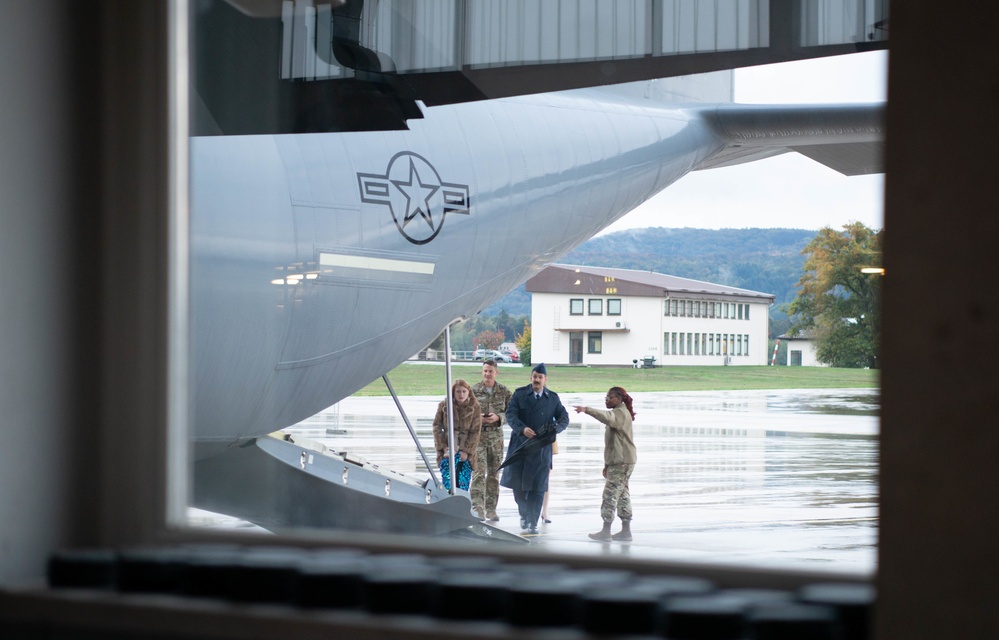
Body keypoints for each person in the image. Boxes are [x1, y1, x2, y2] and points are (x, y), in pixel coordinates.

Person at [501, 363, 569, 534]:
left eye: (540, 377)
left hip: (541, 451)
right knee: (518, 488)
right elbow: (511, 414)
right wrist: (522, 429)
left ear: (545, 380)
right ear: (530, 378)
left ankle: (532, 522)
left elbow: (564, 418)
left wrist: (553, 431)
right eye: (535, 376)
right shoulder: (519, 394)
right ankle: (524, 514)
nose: (537, 380)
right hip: (520, 447)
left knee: (538, 488)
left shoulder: (552, 398)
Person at [574, 386, 637, 541]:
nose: (607, 400)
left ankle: (606, 530)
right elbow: (612, 444)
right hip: (622, 461)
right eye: (606, 398)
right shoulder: (621, 412)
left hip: (621, 462)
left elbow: (607, 417)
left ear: (619, 399)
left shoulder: (620, 413)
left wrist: (586, 410)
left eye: (610, 397)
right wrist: (607, 464)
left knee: (610, 494)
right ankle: (626, 531)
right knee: (622, 494)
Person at [470, 359, 513, 522]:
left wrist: (499, 417)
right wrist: (478, 417)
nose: (487, 374)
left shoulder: (504, 392)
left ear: (496, 372)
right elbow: (466, 411)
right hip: (478, 438)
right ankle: (477, 507)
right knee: (478, 473)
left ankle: (491, 509)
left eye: (490, 371)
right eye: (485, 371)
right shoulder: (473, 390)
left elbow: (512, 413)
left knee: (494, 474)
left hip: (496, 439)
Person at [432, 379, 482, 492]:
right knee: (448, 480)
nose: (461, 394)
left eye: (464, 391)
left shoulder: (475, 407)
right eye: (458, 391)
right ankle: (447, 504)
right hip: (448, 446)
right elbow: (436, 426)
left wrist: (467, 451)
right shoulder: (444, 405)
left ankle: (461, 503)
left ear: (469, 392)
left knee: (462, 481)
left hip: (465, 446)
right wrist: (443, 446)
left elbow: (475, 431)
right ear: (453, 392)